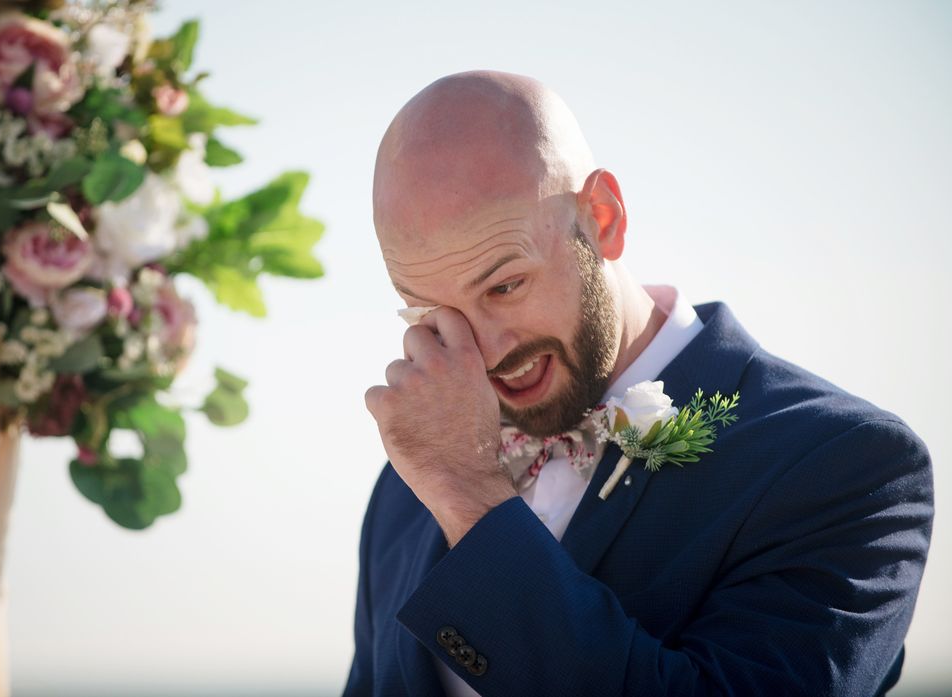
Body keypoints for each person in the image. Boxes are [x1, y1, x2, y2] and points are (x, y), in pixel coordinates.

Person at [344, 70, 934, 697]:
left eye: (505, 286)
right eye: (433, 313)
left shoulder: (845, 466)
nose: (482, 350)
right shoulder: (412, 486)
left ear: (603, 219)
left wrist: (472, 499)